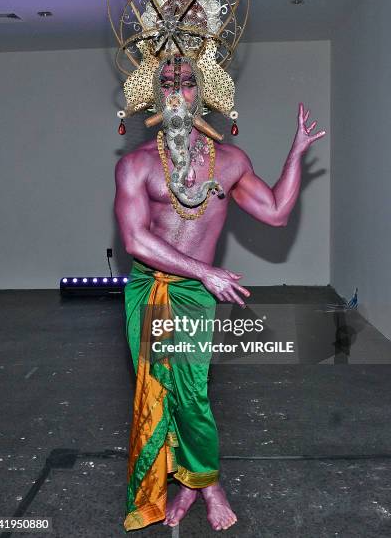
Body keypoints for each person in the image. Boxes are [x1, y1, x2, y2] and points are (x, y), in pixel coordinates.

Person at [114, 56, 326, 531]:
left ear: (203, 95)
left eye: (187, 84)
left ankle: (203, 486)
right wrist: (204, 269)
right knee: (163, 396)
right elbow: (134, 239)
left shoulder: (230, 161)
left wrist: (296, 155)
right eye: (167, 84)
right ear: (155, 96)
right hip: (150, 290)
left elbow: (274, 212)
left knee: (190, 396)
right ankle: (198, 485)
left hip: (194, 293)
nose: (177, 94)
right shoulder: (135, 165)